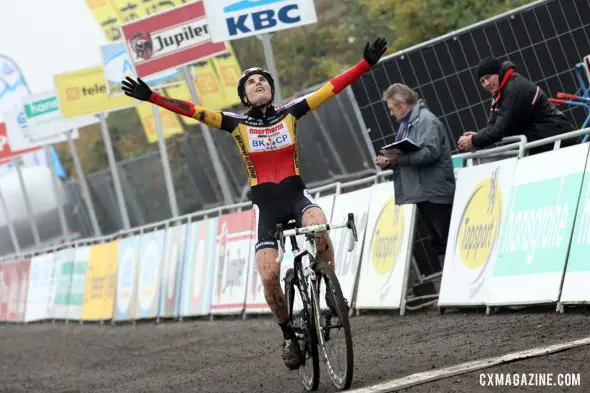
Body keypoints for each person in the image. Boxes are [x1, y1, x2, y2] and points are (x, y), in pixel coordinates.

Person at [121, 37, 388, 370]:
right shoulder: (237, 124)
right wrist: (153, 98)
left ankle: (332, 294)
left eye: (263, 80)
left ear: (271, 91)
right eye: (251, 82)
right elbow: (192, 111)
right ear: (244, 97)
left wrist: (365, 65)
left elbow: (330, 88)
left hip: (296, 197)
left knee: (320, 226)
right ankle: (289, 335)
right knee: (268, 275)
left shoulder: (291, 113)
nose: (259, 83)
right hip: (267, 208)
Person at [375, 83, 455, 262]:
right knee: (439, 243)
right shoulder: (408, 123)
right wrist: (388, 161)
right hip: (424, 193)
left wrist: (398, 159)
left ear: (403, 104)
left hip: (435, 193)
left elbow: (431, 153)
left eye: (392, 108)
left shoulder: (426, 120)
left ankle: (455, 284)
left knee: (446, 242)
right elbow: (405, 155)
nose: (391, 113)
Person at [458, 56, 577, 155]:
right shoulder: (500, 92)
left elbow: (499, 130)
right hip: (548, 142)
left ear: (498, 72)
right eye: (482, 82)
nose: (487, 84)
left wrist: (474, 140)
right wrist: (477, 136)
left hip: (560, 141)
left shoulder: (513, 89)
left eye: (488, 77)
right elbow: (492, 125)